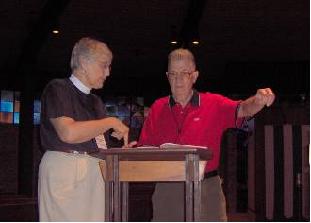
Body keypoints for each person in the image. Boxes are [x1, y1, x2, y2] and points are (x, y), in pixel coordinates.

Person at [138, 48, 275, 221]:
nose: (178, 79)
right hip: (167, 188)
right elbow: (145, 148)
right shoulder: (158, 107)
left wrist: (258, 101)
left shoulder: (214, 103)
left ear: (194, 76)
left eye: (184, 73)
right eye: (173, 74)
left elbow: (243, 109)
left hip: (207, 188)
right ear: (167, 76)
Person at [38, 37, 131, 221]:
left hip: (95, 170)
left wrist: (119, 153)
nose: (108, 73)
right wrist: (110, 121)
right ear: (83, 62)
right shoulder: (58, 88)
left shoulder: (96, 102)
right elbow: (68, 133)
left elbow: (98, 144)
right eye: (104, 65)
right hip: (65, 169)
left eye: (109, 66)